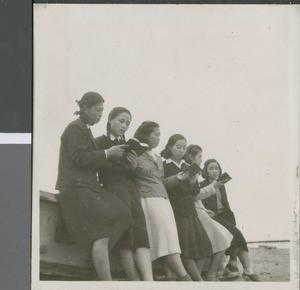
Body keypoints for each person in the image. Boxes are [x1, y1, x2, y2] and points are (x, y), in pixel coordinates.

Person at [55, 92, 134, 280]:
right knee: (112, 224)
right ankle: (105, 278)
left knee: (122, 216)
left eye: (102, 111)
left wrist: (119, 158)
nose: (100, 114)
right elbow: (80, 158)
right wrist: (107, 153)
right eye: (98, 110)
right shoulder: (76, 128)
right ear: (84, 108)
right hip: (76, 187)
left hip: (87, 187)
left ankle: (99, 256)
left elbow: (89, 159)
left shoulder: (84, 128)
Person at [95, 107, 153, 281]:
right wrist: (115, 159)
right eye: (121, 121)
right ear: (110, 119)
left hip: (131, 191)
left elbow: (132, 174)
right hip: (114, 190)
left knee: (140, 233)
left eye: (128, 123)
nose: (125, 126)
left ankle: (149, 281)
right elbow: (100, 169)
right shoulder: (99, 142)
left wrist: (133, 165)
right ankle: (135, 280)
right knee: (125, 236)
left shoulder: (129, 145)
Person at [161, 135, 229, 281]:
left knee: (203, 248)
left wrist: (192, 182)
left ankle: (195, 280)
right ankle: (196, 281)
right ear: (169, 147)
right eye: (178, 147)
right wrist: (180, 179)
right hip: (177, 211)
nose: (181, 150)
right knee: (187, 250)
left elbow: (194, 192)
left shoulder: (187, 166)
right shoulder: (165, 165)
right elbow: (164, 186)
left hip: (190, 211)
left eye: (184, 147)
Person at [132, 121, 192, 281]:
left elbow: (161, 181)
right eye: (156, 134)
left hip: (163, 201)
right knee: (164, 237)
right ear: (145, 134)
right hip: (147, 199)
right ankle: (184, 277)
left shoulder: (157, 158)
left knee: (169, 237)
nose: (159, 138)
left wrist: (178, 178)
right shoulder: (135, 153)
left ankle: (174, 276)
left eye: (160, 134)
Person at [201, 159, 261, 282]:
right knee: (237, 235)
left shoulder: (221, 186)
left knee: (237, 234)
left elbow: (225, 204)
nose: (214, 171)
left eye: (216, 168)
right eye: (211, 168)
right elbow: (202, 204)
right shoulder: (202, 185)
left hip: (223, 216)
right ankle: (241, 268)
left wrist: (231, 219)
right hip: (212, 217)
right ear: (205, 171)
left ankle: (240, 268)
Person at [184, 145, 234, 280]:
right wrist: (214, 186)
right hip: (194, 212)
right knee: (222, 240)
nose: (201, 159)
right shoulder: (189, 171)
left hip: (199, 210)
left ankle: (208, 275)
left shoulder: (192, 171)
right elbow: (194, 195)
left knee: (220, 240)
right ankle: (209, 275)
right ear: (191, 157)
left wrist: (205, 209)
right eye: (199, 156)